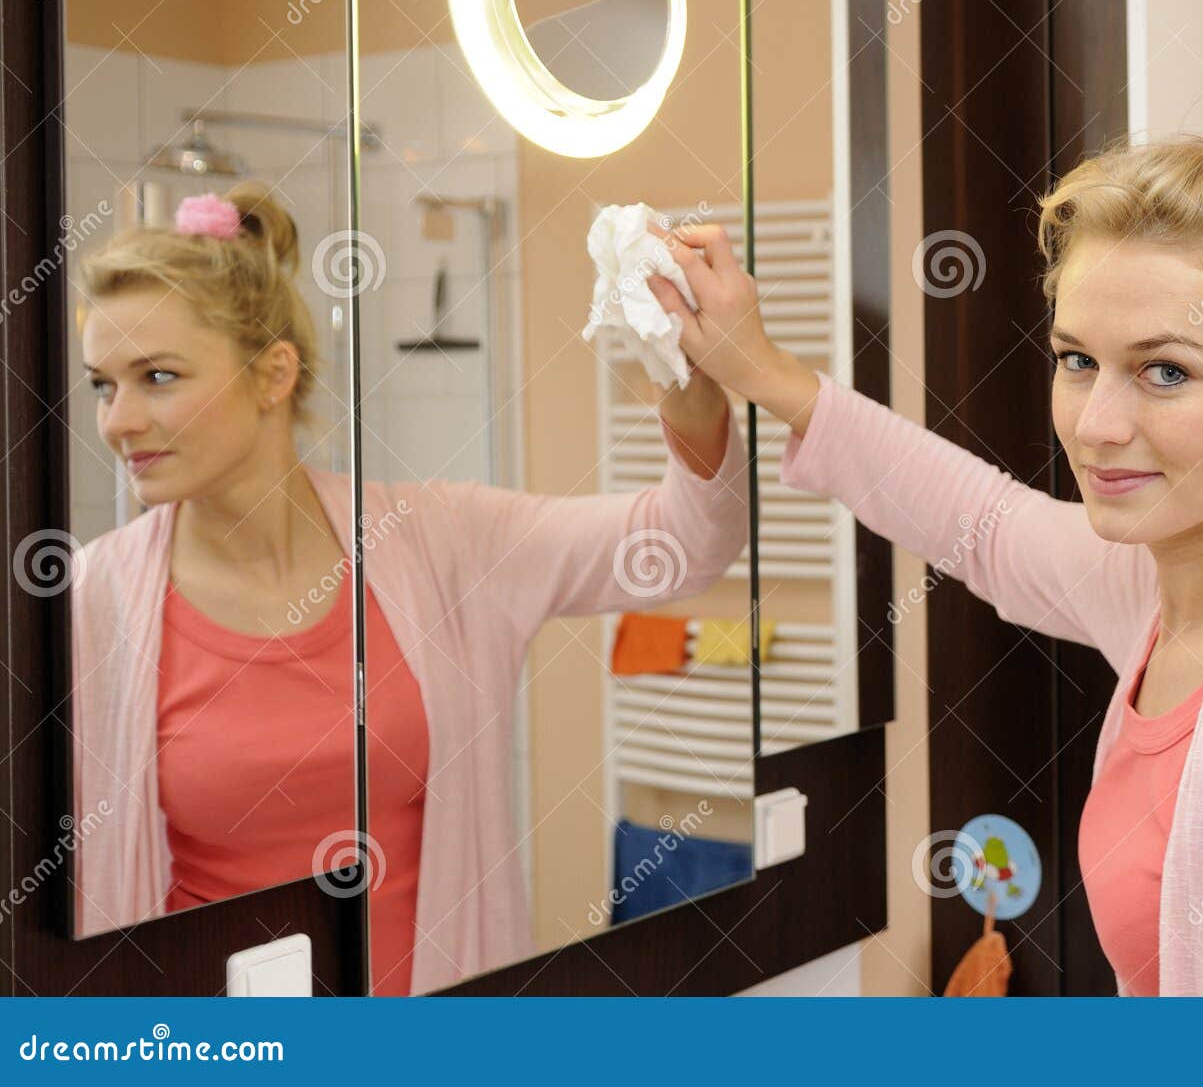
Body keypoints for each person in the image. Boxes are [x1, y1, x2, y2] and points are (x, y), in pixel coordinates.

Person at [645, 83, 1203, 996]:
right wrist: (761, 369)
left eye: (1165, 371)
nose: (1096, 425)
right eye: (1078, 360)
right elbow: (984, 524)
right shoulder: (1178, 584)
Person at [70, 181, 747, 995]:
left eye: (158, 376)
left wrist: (683, 367)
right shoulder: (92, 600)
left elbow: (682, 543)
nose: (117, 420)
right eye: (103, 384)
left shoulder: (440, 543)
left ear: (273, 374)